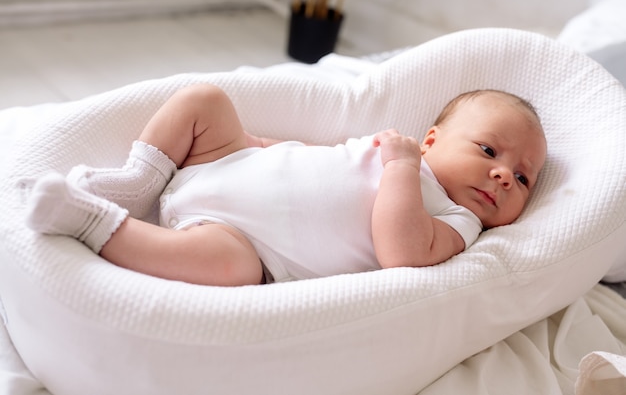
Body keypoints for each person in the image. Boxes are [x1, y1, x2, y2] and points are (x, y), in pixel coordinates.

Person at [25, 84, 547, 286]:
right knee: (205, 102)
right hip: (229, 164)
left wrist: (402, 170)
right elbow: (320, 161)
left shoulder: (458, 222)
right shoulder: (396, 148)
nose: (504, 175)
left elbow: (401, 251)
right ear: (432, 140)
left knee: (229, 269)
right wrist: (253, 143)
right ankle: (140, 181)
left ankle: (94, 222)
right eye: (488, 151)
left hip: (241, 240)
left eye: (523, 178)